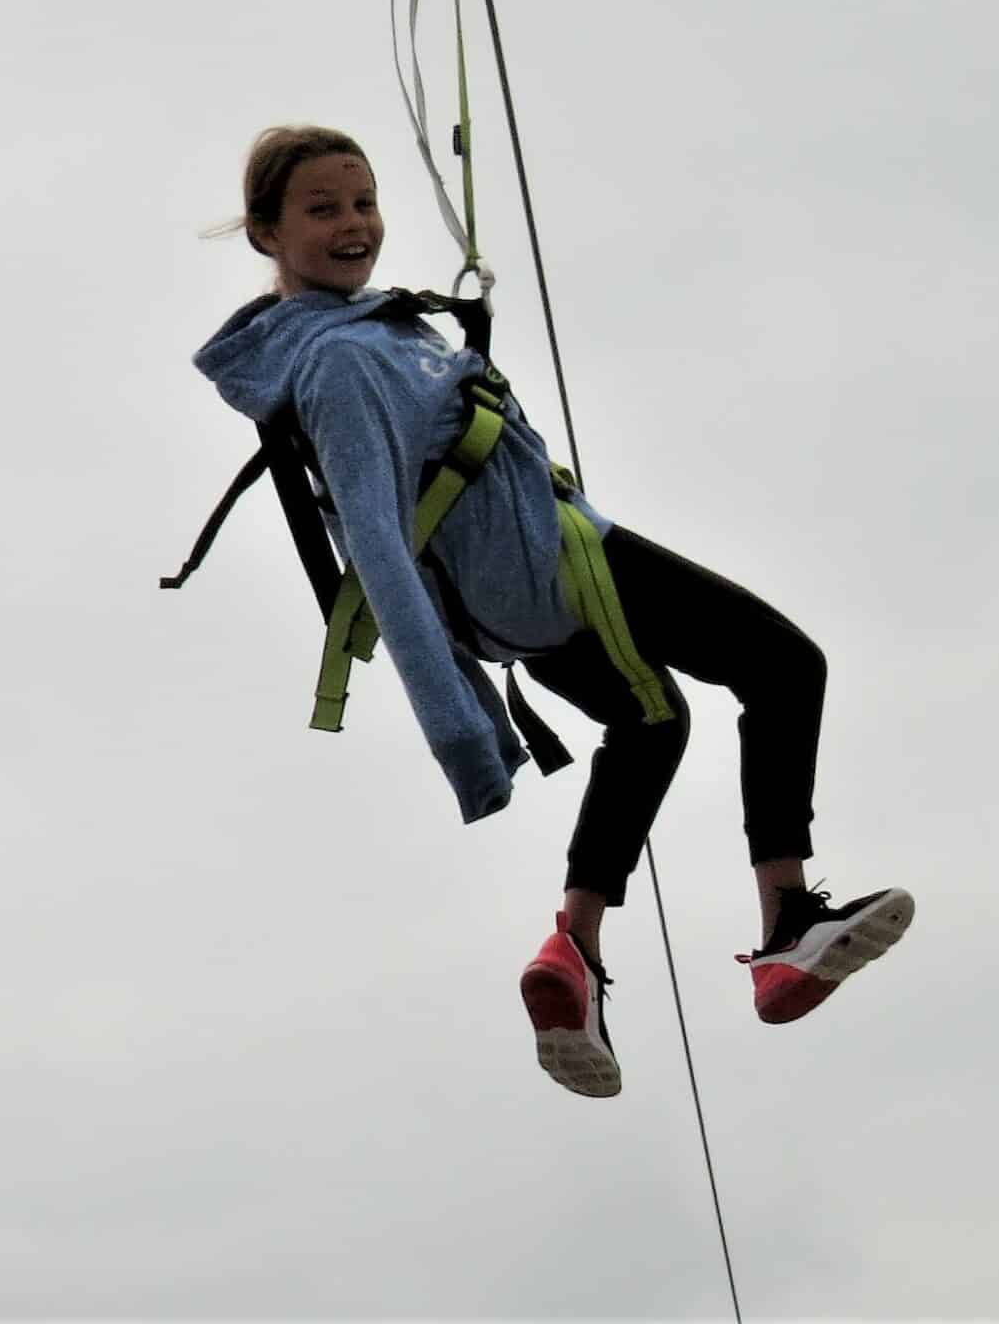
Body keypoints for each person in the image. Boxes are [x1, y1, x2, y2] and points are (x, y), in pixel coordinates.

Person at [193, 124, 912, 1098]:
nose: (354, 225)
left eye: (362, 203)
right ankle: (785, 933)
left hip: (519, 592)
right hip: (550, 565)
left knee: (652, 719)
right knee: (784, 665)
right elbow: (374, 546)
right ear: (265, 234)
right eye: (322, 210)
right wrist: (461, 732)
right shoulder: (338, 366)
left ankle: (573, 947)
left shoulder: (363, 334)